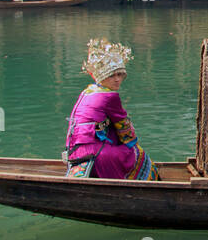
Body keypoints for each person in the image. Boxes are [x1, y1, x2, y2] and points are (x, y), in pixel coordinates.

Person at [64, 38, 161, 180]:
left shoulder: (88, 91)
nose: (117, 80)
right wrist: (132, 143)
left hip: (74, 151)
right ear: (102, 76)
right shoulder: (109, 96)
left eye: (119, 75)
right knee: (137, 154)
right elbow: (124, 126)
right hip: (95, 153)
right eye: (111, 76)